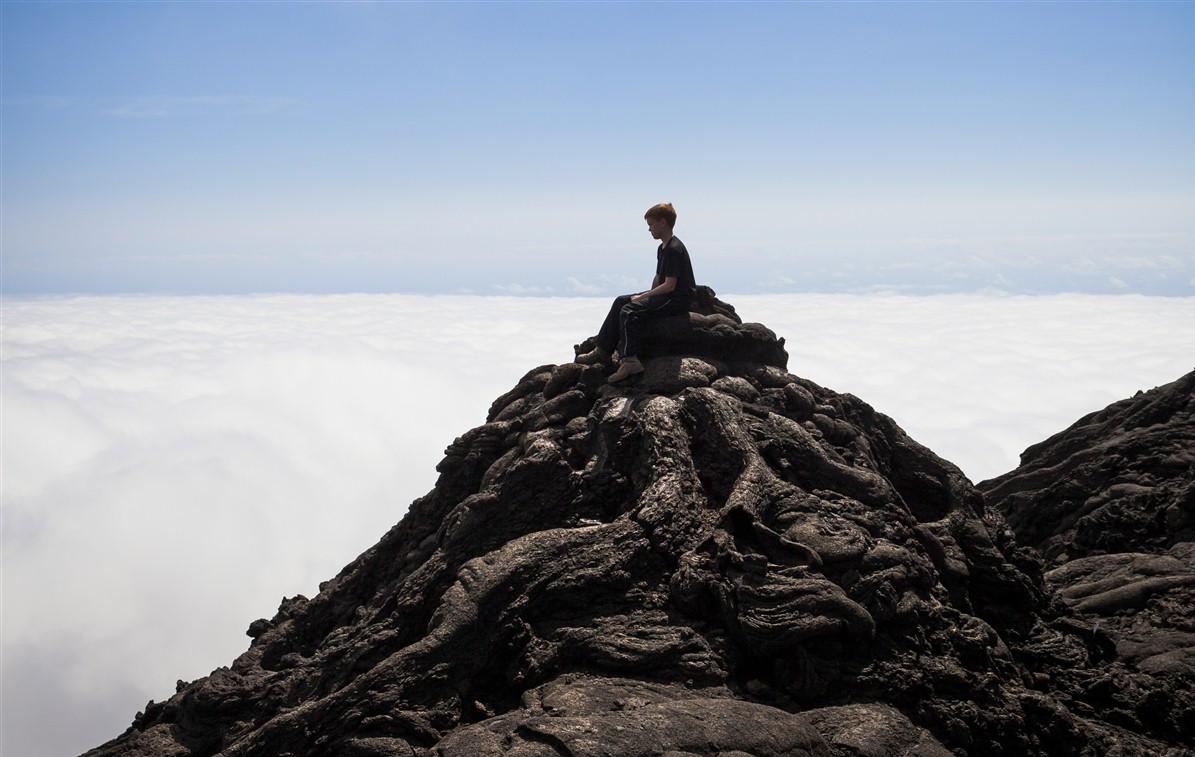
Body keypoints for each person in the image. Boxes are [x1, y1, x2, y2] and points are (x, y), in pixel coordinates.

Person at [577, 202, 696, 382]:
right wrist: (646, 296)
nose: (649, 230)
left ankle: (630, 361)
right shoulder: (662, 248)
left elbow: (670, 285)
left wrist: (643, 298)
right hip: (666, 294)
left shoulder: (674, 249)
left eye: (651, 225)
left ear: (663, 223)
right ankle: (602, 350)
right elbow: (658, 279)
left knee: (629, 310)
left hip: (677, 299)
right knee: (621, 301)